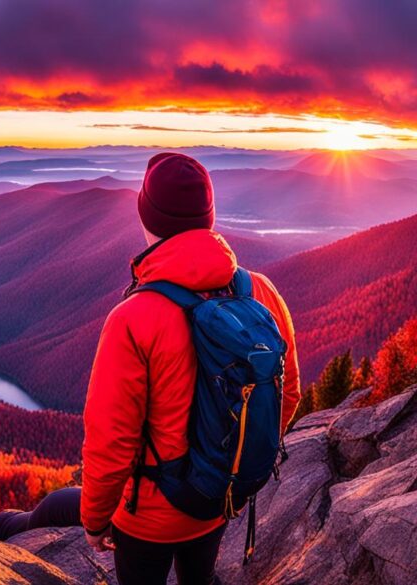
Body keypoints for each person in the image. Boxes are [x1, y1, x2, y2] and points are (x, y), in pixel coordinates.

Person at [78, 153, 301, 585]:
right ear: (209, 217)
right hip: (218, 496)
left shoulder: (133, 317)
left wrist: (95, 520)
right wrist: (233, 461)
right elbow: (286, 392)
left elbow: (111, 440)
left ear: (146, 215)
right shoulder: (260, 292)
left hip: (147, 518)